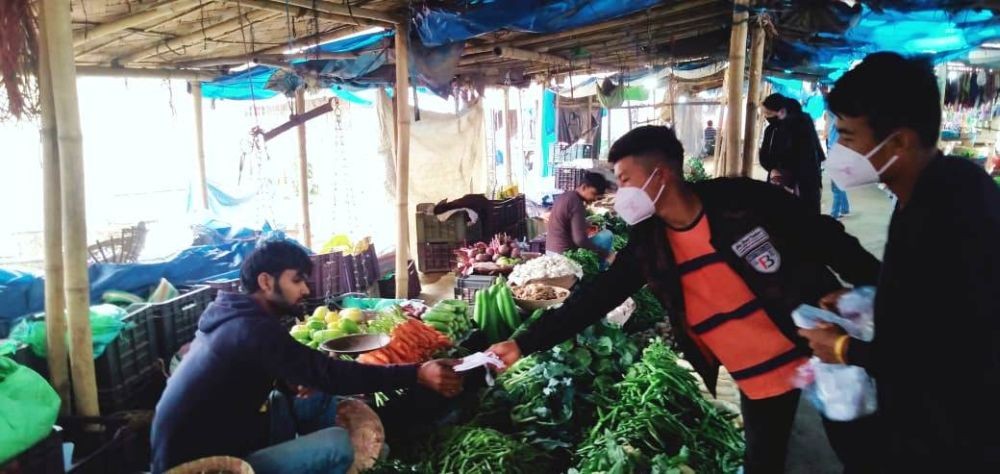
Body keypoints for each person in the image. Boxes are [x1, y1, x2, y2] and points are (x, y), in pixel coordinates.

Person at [491, 125, 881, 473]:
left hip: (821, 348)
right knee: (764, 461)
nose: (621, 192)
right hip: (757, 378)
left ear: (659, 175)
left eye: (626, 180)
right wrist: (524, 343)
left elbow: (820, 233)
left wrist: (880, 286)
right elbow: (594, 299)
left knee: (862, 452)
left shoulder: (742, 199)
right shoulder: (650, 245)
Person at [798, 52, 1000, 472]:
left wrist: (842, 347)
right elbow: (936, 301)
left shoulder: (952, 213)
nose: (838, 150)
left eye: (848, 135)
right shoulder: (935, 190)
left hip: (951, 436)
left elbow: (950, 352)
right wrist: (869, 298)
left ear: (901, 141)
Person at [151, 241, 464, 473]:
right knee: (337, 444)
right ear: (265, 281)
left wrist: (290, 383)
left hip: (227, 433)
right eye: (297, 280)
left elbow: (298, 374)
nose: (305, 289)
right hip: (207, 465)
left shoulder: (232, 315)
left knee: (314, 399)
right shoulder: (250, 329)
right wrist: (417, 373)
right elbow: (330, 373)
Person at [760, 94, 825, 212]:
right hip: (791, 182)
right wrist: (772, 169)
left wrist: (778, 171)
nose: (766, 117)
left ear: (781, 112)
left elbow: (809, 156)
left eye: (768, 113)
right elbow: (764, 156)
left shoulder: (799, 125)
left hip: (802, 183)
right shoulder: (772, 130)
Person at [546, 172, 613, 261]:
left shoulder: (565, 196)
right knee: (606, 235)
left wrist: (584, 224)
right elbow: (580, 240)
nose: (594, 199)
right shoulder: (576, 203)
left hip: (550, 250)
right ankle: (601, 268)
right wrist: (604, 253)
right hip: (564, 255)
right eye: (594, 193)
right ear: (584, 187)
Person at [826, 115, 851, 219]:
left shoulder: (837, 119)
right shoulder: (841, 120)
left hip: (837, 153)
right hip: (838, 152)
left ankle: (834, 214)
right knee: (839, 184)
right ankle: (845, 208)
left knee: (836, 187)